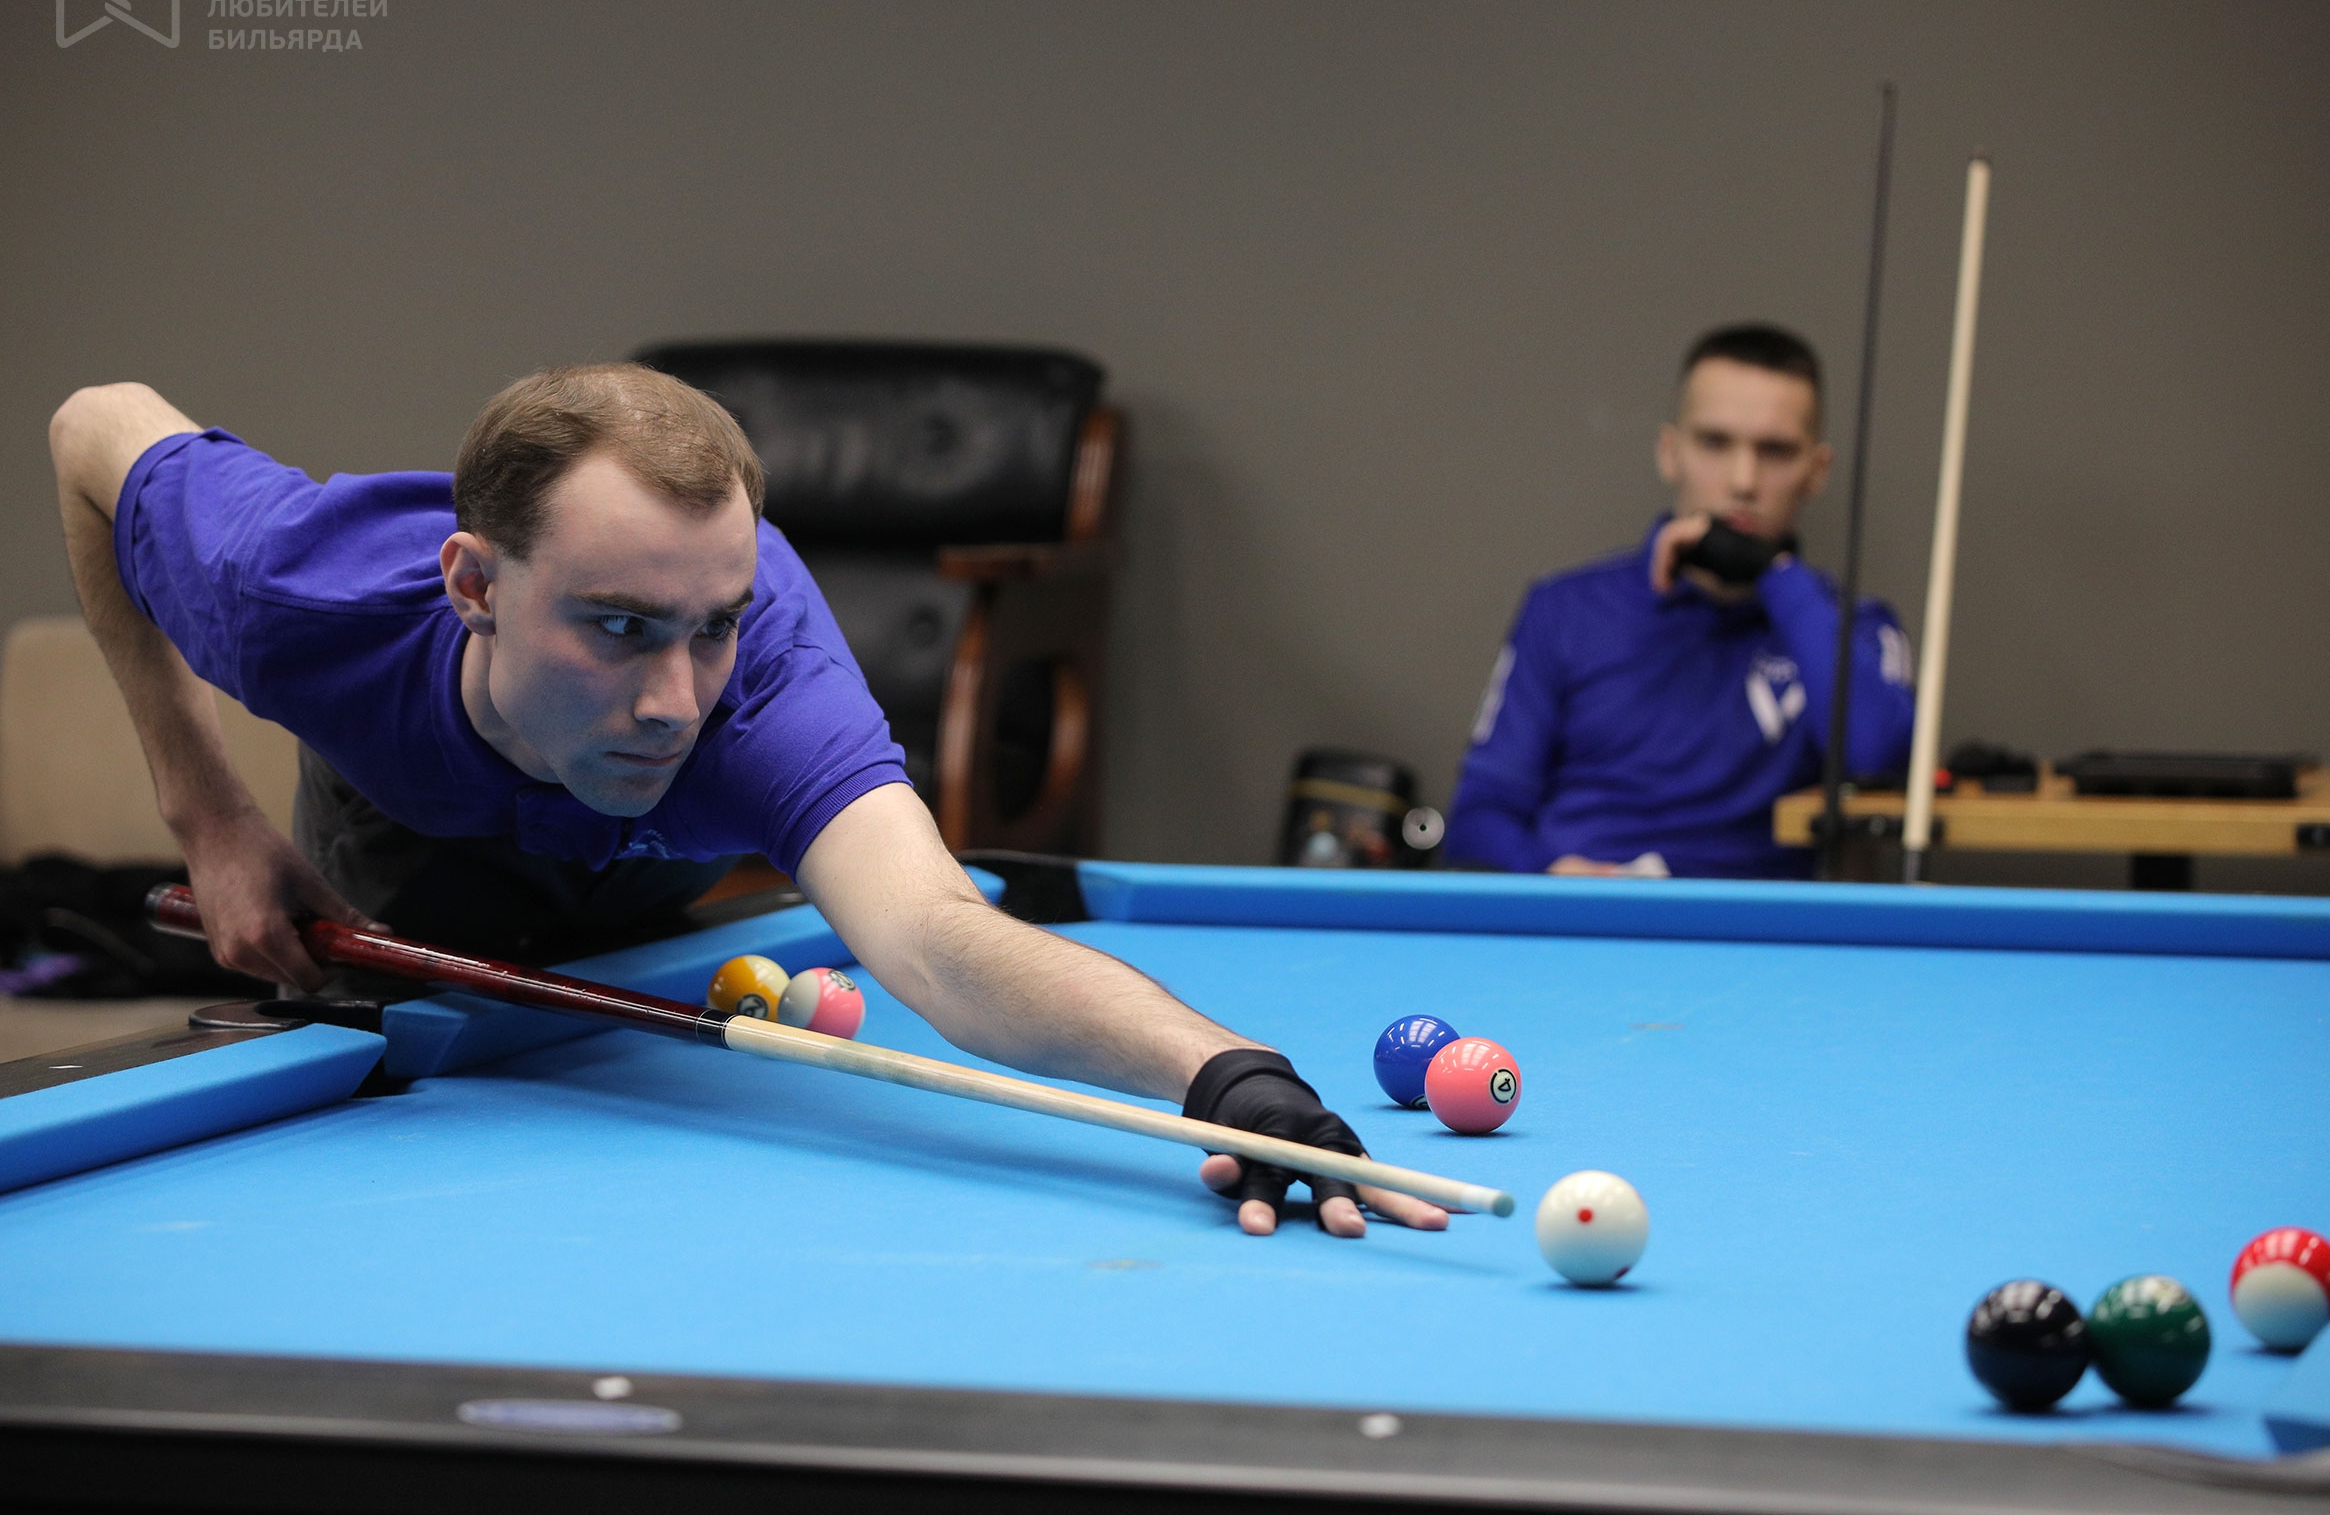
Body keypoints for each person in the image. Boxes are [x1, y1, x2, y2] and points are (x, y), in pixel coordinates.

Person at [49, 366, 1445, 1239]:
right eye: (617, 626)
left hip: (653, 874)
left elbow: (942, 940)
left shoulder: (764, 699)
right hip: (407, 840)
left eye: (712, 623)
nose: (675, 699)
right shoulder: (299, 593)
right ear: (473, 585)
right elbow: (93, 427)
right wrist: (207, 814)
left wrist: (1230, 1077)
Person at [1445, 324, 1915, 879]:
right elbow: (1478, 817)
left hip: (1744, 928)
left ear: (1816, 472)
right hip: (1580, 916)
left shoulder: (1852, 628)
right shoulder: (1565, 609)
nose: (1743, 481)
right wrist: (1552, 874)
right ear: (1670, 453)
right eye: (1715, 443)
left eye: (1776, 451)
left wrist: (1776, 575)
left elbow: (1875, 758)